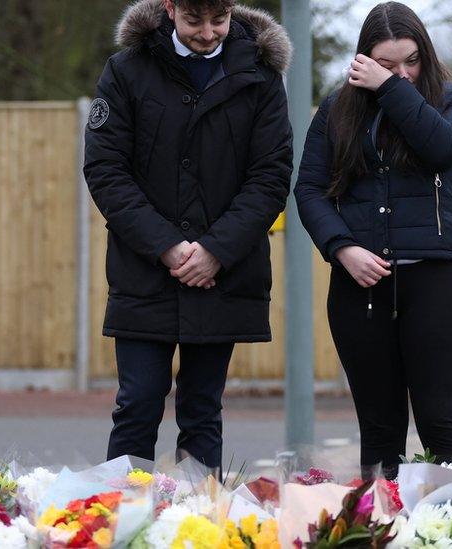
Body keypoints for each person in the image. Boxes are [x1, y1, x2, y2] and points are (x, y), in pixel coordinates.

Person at [83, 0, 292, 469]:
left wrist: (216, 250)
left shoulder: (261, 78)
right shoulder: (126, 70)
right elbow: (106, 170)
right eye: (194, 21)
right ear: (170, 8)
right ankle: (122, 526)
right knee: (136, 405)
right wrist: (166, 246)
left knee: (202, 411)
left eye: (219, 21)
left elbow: (271, 176)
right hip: (144, 273)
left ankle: (196, 528)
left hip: (223, 276)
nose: (208, 33)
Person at [294, 1, 452, 478]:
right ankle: (379, 528)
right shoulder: (338, 109)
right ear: (364, 58)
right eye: (387, 63)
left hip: (438, 282)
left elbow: (444, 148)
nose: (403, 73)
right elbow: (310, 188)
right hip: (361, 286)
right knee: (378, 429)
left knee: (442, 424)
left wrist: (391, 88)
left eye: (411, 61)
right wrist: (343, 248)